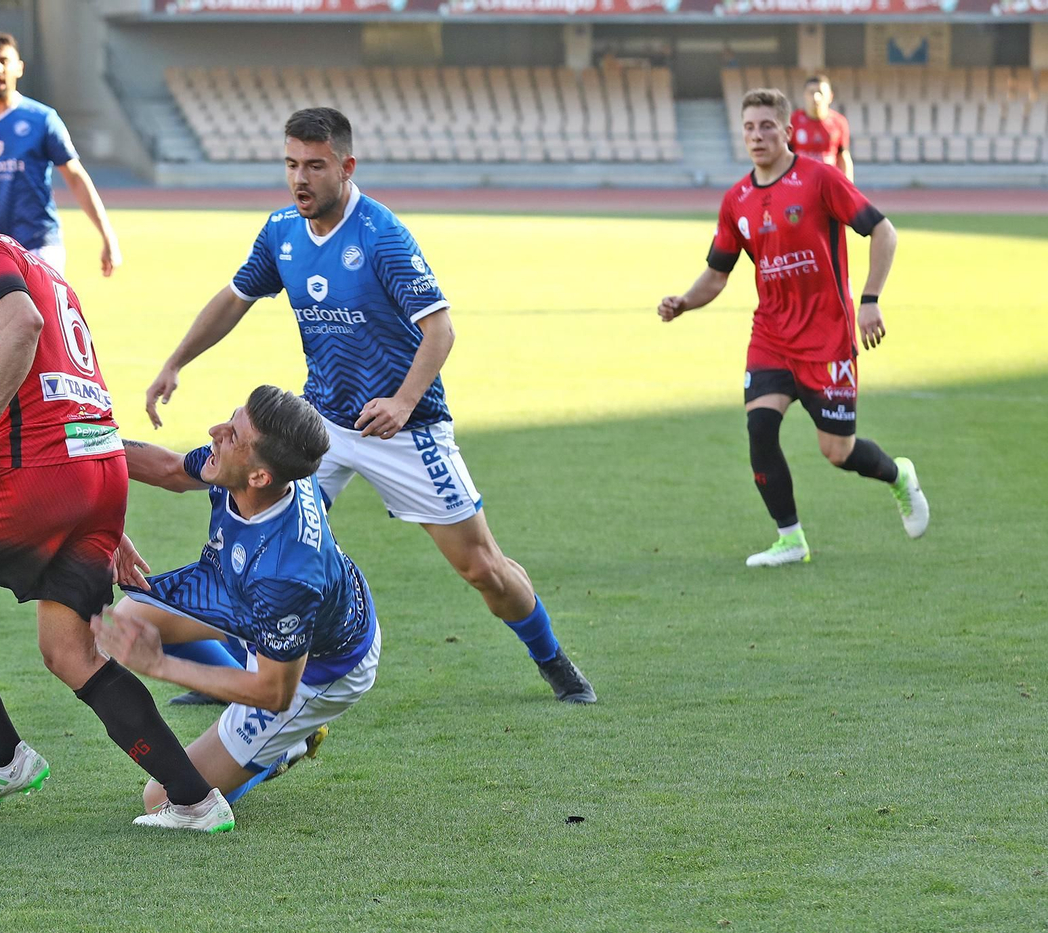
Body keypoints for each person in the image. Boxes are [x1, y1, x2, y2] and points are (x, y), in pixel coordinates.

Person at [146, 107, 595, 705]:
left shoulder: (381, 235)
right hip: (320, 428)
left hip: (406, 432)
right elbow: (236, 297)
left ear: (347, 166)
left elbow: (441, 329)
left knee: (480, 567)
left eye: (315, 166)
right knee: (259, 533)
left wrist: (405, 402)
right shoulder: (282, 231)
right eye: (290, 164)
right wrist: (176, 361)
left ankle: (553, 660)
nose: (300, 178)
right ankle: (244, 670)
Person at [0, 155, 233, 833]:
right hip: (93, 473)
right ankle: (195, 798)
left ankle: (5, 754)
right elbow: (72, 379)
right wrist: (102, 513)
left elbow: (22, 327)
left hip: (36, 476)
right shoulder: (42, 266)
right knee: (70, 653)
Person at [657, 87, 928, 567]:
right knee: (760, 427)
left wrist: (869, 300)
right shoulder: (736, 200)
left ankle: (899, 476)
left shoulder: (820, 180)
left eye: (766, 126)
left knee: (838, 452)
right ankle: (791, 539)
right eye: (748, 127)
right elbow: (718, 275)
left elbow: (884, 231)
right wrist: (684, 302)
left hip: (827, 337)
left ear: (787, 130)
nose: (757, 136)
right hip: (771, 337)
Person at [95, 387, 380, 813]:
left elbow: (273, 691)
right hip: (244, 595)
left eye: (232, 435)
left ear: (259, 478)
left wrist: (160, 666)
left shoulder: (286, 575)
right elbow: (170, 469)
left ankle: (286, 746)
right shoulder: (249, 467)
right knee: (127, 620)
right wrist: (76, 450)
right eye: (230, 420)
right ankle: (242, 705)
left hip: (317, 667)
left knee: (163, 799)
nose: (215, 432)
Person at [0, 32, 120, 278]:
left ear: (19, 68)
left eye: (4, 61)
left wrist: (107, 236)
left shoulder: (43, 119)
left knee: (44, 317)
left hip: (39, 244)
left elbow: (76, 178)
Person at [790, 74, 854, 182]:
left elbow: (843, 156)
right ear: (805, 95)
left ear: (830, 96)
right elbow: (785, 156)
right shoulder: (793, 121)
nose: (816, 97)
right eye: (811, 92)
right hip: (801, 182)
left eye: (820, 92)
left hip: (828, 181)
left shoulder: (839, 122)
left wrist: (849, 185)